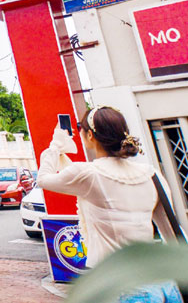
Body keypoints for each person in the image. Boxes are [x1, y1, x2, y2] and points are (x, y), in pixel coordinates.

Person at [37, 106, 183, 303]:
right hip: (160, 282)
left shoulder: (87, 174)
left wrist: (56, 145)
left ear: (90, 135)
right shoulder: (152, 174)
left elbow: (44, 179)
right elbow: (171, 236)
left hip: (119, 286)